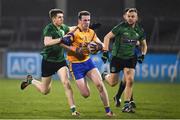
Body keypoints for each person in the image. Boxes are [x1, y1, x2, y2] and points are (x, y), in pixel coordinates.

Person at [20, 9, 79, 116]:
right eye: (60, 17)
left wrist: (85, 27)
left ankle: (73, 110)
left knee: (66, 83)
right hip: (48, 62)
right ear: (53, 19)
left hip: (60, 61)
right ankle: (31, 80)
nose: (62, 19)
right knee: (45, 91)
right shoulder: (49, 28)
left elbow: (72, 28)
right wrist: (61, 39)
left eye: (62, 17)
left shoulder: (62, 27)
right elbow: (47, 42)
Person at [61, 10, 114, 117]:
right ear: (79, 21)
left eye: (89, 20)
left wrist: (100, 48)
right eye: (85, 20)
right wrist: (74, 49)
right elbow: (61, 43)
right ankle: (85, 80)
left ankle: (108, 111)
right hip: (75, 65)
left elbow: (102, 45)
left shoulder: (91, 32)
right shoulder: (74, 32)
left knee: (100, 85)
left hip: (87, 62)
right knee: (86, 94)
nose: (87, 22)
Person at [101, 8, 147, 113]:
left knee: (129, 80)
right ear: (125, 17)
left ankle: (127, 105)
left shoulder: (139, 30)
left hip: (130, 58)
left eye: (133, 16)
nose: (130, 18)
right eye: (129, 16)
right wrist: (105, 52)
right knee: (113, 83)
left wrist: (143, 55)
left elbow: (144, 44)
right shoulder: (120, 27)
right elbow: (107, 37)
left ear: (136, 18)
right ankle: (104, 75)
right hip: (117, 58)